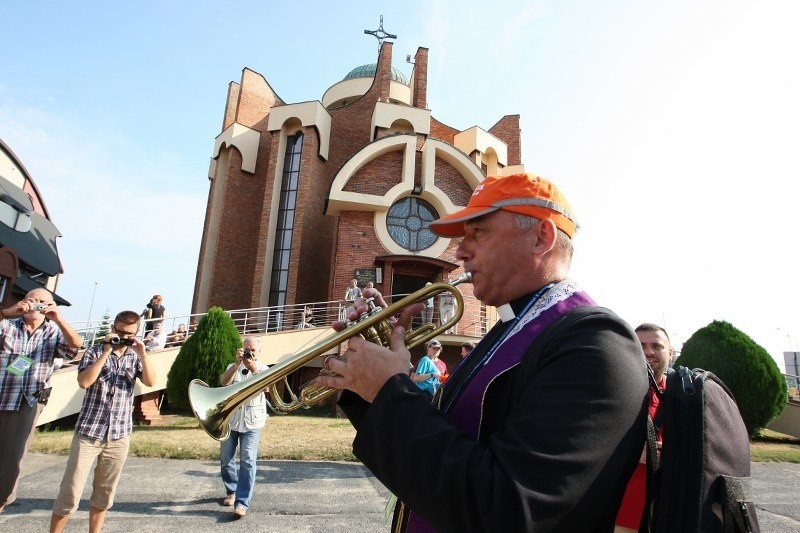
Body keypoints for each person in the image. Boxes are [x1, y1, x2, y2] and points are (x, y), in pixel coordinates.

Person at [318, 172, 648, 532]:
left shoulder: (594, 343)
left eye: (479, 233)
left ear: (542, 237)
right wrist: (368, 383)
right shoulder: (511, 327)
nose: (460, 252)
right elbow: (448, 446)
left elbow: (508, 511)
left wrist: (389, 393)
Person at [50, 310, 155, 532]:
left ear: (136, 333)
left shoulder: (135, 356)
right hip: (89, 432)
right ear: (113, 328)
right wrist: (106, 352)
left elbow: (150, 381)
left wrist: (143, 354)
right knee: (71, 491)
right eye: (119, 331)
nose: (123, 336)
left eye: (129, 333)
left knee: (104, 493)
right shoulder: (95, 351)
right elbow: (84, 382)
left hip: (118, 435)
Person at [0, 288, 82, 513]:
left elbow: (75, 346)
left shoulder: (53, 332)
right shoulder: (7, 324)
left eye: (42, 302)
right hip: (2, 393)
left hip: (27, 401)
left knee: (12, 459)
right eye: (32, 300)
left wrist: (60, 319)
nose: (35, 305)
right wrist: (8, 311)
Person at [615, 323, 674, 532]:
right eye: (641, 345)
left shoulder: (686, 397)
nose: (648, 351)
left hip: (669, 509)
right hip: (621, 510)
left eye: (656, 346)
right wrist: (631, 451)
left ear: (670, 352)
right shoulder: (614, 391)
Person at [219, 337, 269, 518]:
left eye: (252, 350)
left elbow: (267, 388)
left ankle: (242, 503)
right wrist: (235, 365)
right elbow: (223, 383)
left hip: (252, 422)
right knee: (226, 459)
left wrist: (253, 368)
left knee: (248, 461)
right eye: (246, 349)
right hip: (231, 420)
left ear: (258, 352)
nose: (249, 352)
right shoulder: (233, 366)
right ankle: (231, 491)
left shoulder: (263, 369)